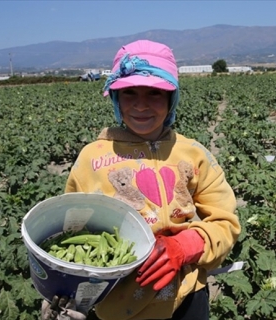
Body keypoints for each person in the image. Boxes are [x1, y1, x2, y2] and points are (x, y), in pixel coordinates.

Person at [41, 39, 241, 320]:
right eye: (129, 93)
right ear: (115, 99)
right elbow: (69, 233)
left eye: (155, 94)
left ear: (172, 99)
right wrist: (61, 288)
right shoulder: (92, 159)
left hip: (186, 297)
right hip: (115, 304)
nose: (141, 105)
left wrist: (184, 247)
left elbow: (226, 224)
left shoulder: (194, 154)